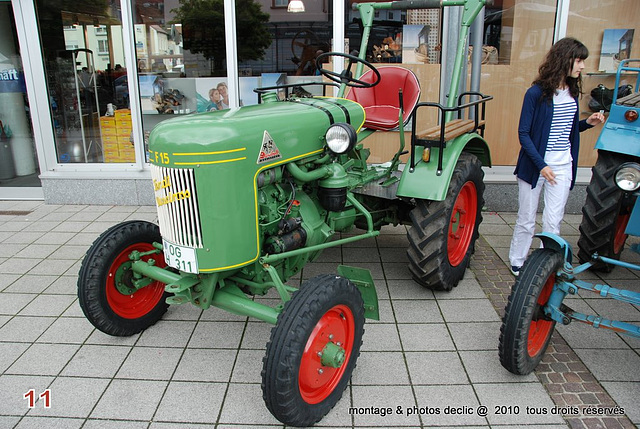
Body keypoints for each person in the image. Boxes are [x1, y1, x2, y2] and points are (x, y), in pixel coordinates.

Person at [508, 37, 605, 276]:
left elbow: (567, 130)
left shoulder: (572, 92)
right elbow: (524, 134)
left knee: (553, 221)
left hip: (563, 165)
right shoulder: (536, 93)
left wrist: (587, 123)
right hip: (535, 166)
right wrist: (542, 166)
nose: (582, 66)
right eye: (579, 60)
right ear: (565, 59)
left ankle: (545, 265)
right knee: (526, 219)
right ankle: (517, 261)